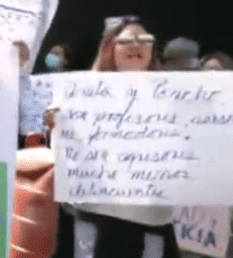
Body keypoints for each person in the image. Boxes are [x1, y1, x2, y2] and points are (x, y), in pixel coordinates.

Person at [49, 17, 178, 258]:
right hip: (96, 220)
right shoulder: (80, 91)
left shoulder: (176, 96)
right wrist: (57, 124)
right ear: (110, 47)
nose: (136, 45)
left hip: (150, 222)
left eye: (145, 40)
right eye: (127, 40)